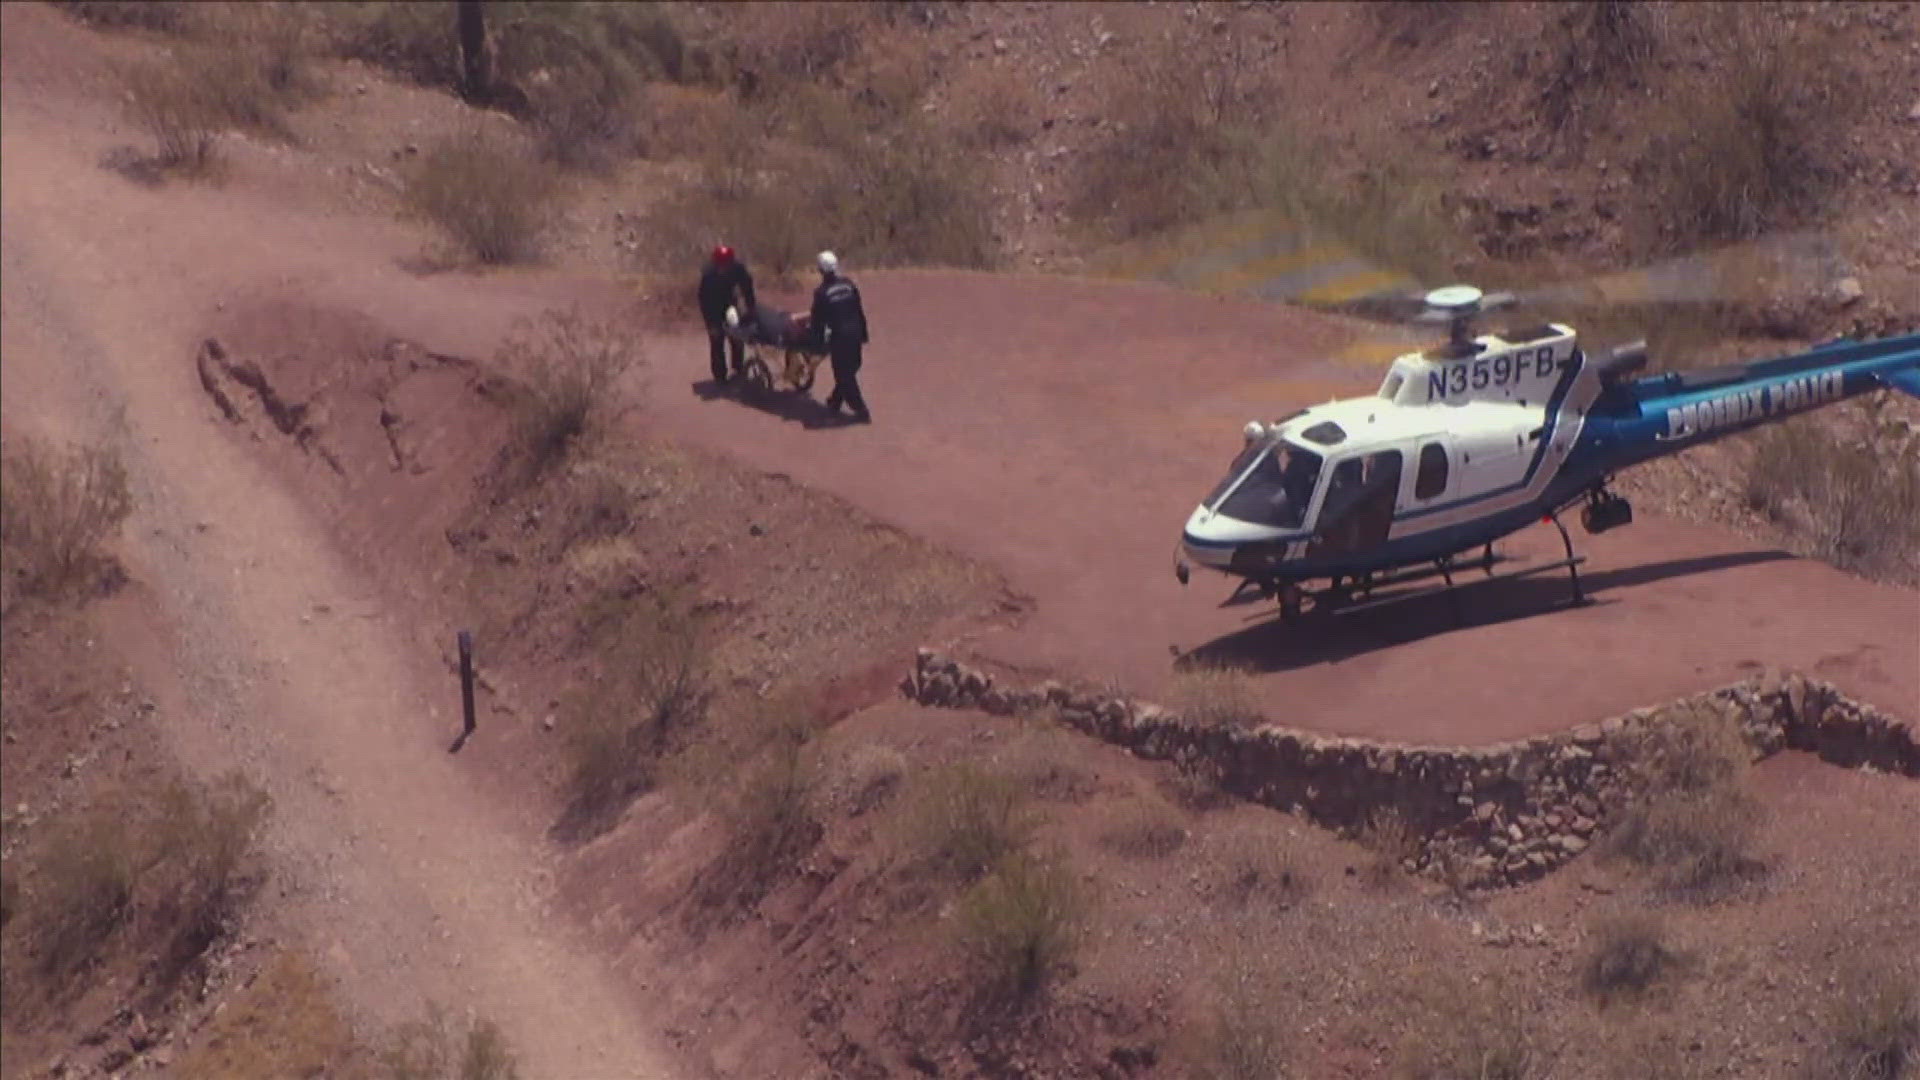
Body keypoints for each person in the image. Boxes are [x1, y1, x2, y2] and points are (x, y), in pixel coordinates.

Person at [809, 250, 871, 423]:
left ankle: (861, 409)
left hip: (840, 337)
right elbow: (859, 311)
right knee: (852, 367)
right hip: (855, 332)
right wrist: (864, 333)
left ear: (820, 270)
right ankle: (835, 401)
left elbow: (817, 322)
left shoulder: (822, 293)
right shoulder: (849, 285)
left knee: (844, 375)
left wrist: (816, 345)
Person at [697, 244, 756, 384]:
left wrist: (751, 307)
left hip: (729, 303)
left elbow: (747, 287)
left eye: (726, 264)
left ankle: (738, 368)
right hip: (712, 307)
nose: (723, 268)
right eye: (721, 265)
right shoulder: (708, 274)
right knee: (717, 340)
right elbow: (703, 299)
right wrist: (710, 323)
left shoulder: (737, 268)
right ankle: (720, 376)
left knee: (736, 336)